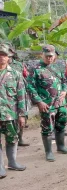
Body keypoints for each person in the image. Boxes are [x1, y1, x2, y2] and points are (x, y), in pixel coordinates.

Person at [26, 45, 67, 162]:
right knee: (47, 128)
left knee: (61, 125)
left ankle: (61, 146)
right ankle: (49, 152)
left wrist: (64, 91)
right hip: (47, 104)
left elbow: (65, 81)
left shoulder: (58, 67)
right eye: (47, 56)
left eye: (51, 56)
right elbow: (30, 87)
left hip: (61, 104)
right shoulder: (35, 68)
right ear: (42, 55)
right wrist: (39, 102)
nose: (49, 59)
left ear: (54, 55)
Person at [0, 43, 26, 178]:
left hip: (11, 114)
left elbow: (21, 95)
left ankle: (12, 162)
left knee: (12, 138)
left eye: (4, 55)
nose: (1, 58)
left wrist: (22, 115)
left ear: (9, 57)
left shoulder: (15, 74)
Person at [7, 44, 30, 146]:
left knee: (22, 117)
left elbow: (26, 77)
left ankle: (20, 138)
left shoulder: (19, 65)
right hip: (7, 96)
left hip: (20, 95)